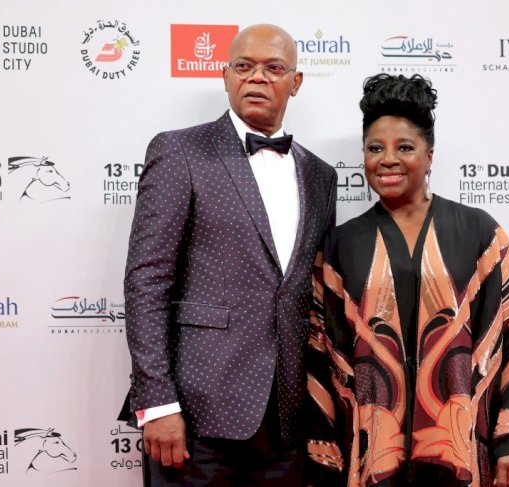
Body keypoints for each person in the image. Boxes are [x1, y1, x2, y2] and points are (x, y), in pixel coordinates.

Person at [305, 74, 509, 487]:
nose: (387, 159)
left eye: (405, 147)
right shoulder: (340, 244)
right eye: (374, 148)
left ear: (430, 155)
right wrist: (324, 448)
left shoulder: (479, 233)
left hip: (458, 446)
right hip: (371, 452)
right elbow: (320, 349)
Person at [121, 24, 337, 486]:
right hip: (194, 417)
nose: (257, 77)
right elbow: (147, 280)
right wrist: (156, 401)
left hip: (288, 422)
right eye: (244, 66)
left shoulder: (320, 175)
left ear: (295, 83)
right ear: (225, 76)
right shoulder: (180, 151)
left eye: (273, 68)